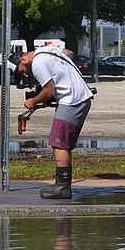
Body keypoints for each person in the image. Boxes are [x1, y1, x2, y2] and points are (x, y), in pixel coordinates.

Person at [10, 45, 93, 199]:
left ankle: (62, 187)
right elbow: (69, 53)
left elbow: (49, 91)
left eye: (19, 70)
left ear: (22, 59)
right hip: (78, 97)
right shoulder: (47, 51)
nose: (23, 74)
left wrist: (33, 101)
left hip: (72, 100)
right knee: (63, 144)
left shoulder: (37, 63)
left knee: (59, 142)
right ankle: (62, 184)